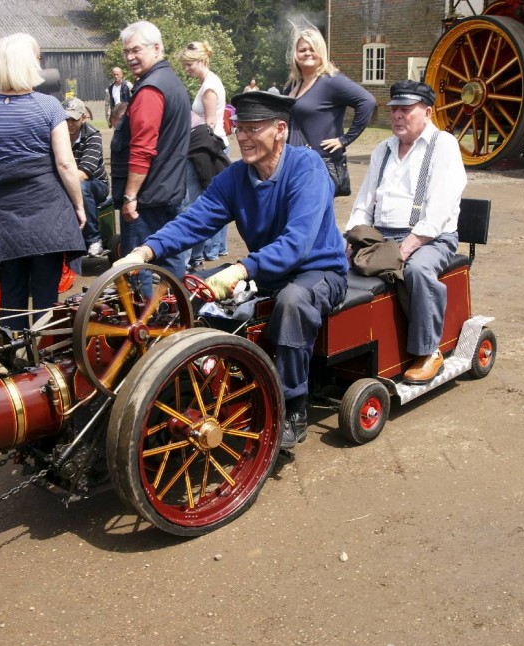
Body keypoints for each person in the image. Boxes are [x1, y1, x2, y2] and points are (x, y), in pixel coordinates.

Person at [115, 92, 348, 449]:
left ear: (281, 130)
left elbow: (298, 243)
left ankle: (293, 405)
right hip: (267, 270)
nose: (242, 137)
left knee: (292, 303)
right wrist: (144, 251)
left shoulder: (308, 167)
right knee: (191, 294)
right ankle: (186, 388)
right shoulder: (236, 176)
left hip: (319, 270)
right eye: (239, 128)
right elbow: (194, 220)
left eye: (253, 129)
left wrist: (242, 268)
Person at [346, 80, 466, 384]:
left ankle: (429, 351)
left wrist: (404, 249)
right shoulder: (382, 149)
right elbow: (364, 203)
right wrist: (351, 239)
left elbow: (438, 212)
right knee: (334, 265)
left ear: (426, 112)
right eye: (394, 109)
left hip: (431, 237)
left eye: (406, 110)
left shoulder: (444, 145)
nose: (398, 115)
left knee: (417, 271)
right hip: (383, 234)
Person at [0, 33, 86, 333]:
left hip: (6, 211)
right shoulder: (49, 106)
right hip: (48, 210)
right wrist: (79, 205)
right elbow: (65, 163)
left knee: (12, 290)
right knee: (46, 292)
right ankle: (41, 360)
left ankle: (10, 356)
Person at [110, 20, 191, 283]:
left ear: (156, 48)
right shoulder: (171, 81)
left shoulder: (150, 90)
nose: (130, 57)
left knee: (139, 267)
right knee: (170, 257)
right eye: (126, 52)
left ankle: (148, 321)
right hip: (169, 190)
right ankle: (177, 315)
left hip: (148, 198)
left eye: (136, 50)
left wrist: (130, 196)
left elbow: (143, 149)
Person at [284, 25, 375, 175]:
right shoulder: (293, 84)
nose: (307, 53)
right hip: (293, 163)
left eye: (313, 49)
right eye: (302, 50)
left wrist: (345, 139)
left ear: (321, 52)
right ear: (295, 54)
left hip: (320, 166)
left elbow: (367, 102)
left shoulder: (332, 81)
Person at [179, 40, 229, 265]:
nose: (187, 69)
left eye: (190, 65)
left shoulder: (209, 87)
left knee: (203, 199)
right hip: (210, 146)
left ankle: (207, 251)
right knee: (214, 196)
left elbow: (209, 123)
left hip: (208, 147)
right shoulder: (208, 82)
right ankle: (213, 249)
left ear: (202, 60)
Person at [63, 97, 110, 257]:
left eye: (74, 119)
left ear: (83, 117)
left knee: (80, 187)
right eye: (66, 118)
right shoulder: (57, 135)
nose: (69, 123)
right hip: (68, 181)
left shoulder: (93, 136)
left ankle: (93, 239)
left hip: (96, 184)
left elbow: (84, 173)